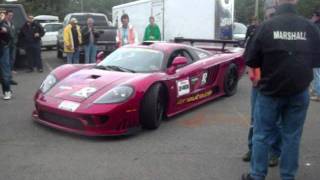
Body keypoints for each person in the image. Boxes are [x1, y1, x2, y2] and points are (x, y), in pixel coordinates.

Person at [242, 0, 320, 180]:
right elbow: (317, 61)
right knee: (292, 137)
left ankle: (257, 175)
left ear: (277, 2)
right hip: (299, 92)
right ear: (296, 1)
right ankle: (287, 176)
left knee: (261, 135)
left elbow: (251, 60)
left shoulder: (266, 27)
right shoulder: (310, 27)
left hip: (270, 91)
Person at [242, 13, 281, 167]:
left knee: (277, 122)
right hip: (259, 85)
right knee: (255, 120)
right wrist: (254, 75)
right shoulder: (258, 33)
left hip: (278, 86)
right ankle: (253, 149)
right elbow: (249, 58)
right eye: (269, 17)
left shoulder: (282, 37)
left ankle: (274, 153)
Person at [3, 10, 18, 85]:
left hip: (13, 45)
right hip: (6, 46)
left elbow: (14, 34)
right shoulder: (2, 24)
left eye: (11, 15)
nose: (10, 17)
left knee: (12, 60)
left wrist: (15, 41)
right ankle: (7, 79)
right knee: (6, 63)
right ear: (5, 15)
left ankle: (9, 78)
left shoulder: (12, 23)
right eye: (9, 15)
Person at [0, 15, 13, 100]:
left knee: (4, 71)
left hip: (2, 50)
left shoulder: (4, 25)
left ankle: (7, 91)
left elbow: (8, 34)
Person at [310, 9, 320, 101]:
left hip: (316, 54)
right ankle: (315, 90)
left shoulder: (315, 26)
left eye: (314, 15)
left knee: (317, 74)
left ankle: (318, 94)